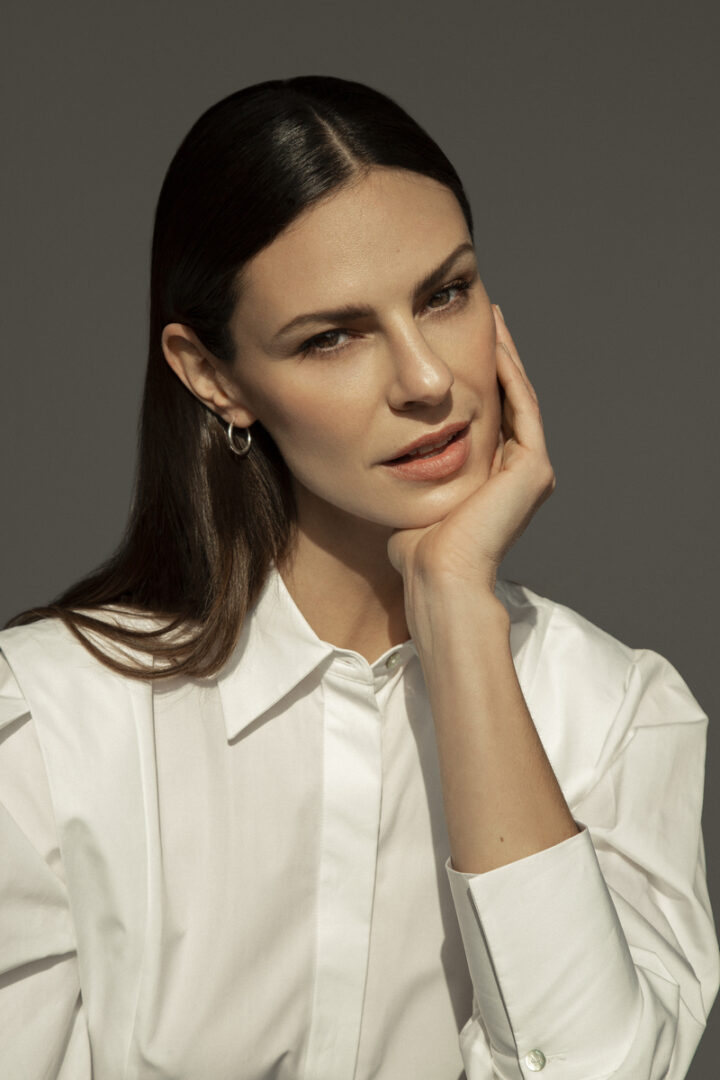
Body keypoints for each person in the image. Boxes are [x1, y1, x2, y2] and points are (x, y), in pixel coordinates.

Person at [0, 75, 717, 1080]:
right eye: (331, 337)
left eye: (445, 294)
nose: (427, 380)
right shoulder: (47, 729)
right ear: (213, 376)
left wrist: (459, 614)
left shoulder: (612, 717)